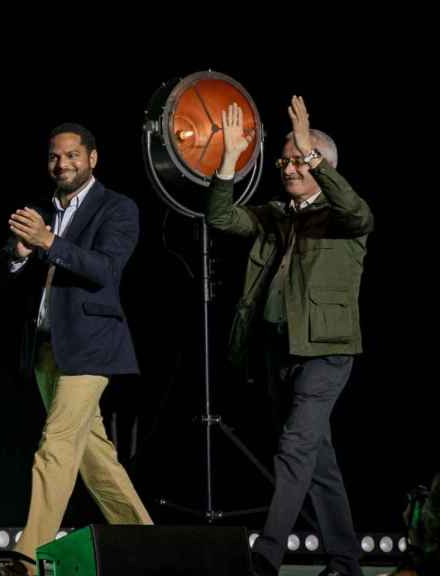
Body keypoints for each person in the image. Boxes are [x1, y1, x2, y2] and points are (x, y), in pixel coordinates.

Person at [209, 96, 373, 576]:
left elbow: (357, 210)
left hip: (326, 354)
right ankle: (346, 564)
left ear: (321, 166)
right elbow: (220, 218)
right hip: (278, 350)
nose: (289, 168)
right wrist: (226, 162)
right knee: (316, 460)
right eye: (285, 160)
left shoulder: (344, 216)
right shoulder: (276, 215)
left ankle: (267, 556)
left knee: (296, 447)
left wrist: (312, 151)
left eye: (298, 159)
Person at [0, 123, 152, 576]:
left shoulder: (117, 208)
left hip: (93, 345)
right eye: (54, 157)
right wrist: (21, 253)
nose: (62, 164)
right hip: (46, 345)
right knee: (92, 453)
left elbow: (105, 269)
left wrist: (49, 242)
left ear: (92, 158)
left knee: (56, 445)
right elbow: (2, 272)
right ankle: (148, 542)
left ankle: (28, 556)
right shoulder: (40, 209)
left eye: (72, 156)